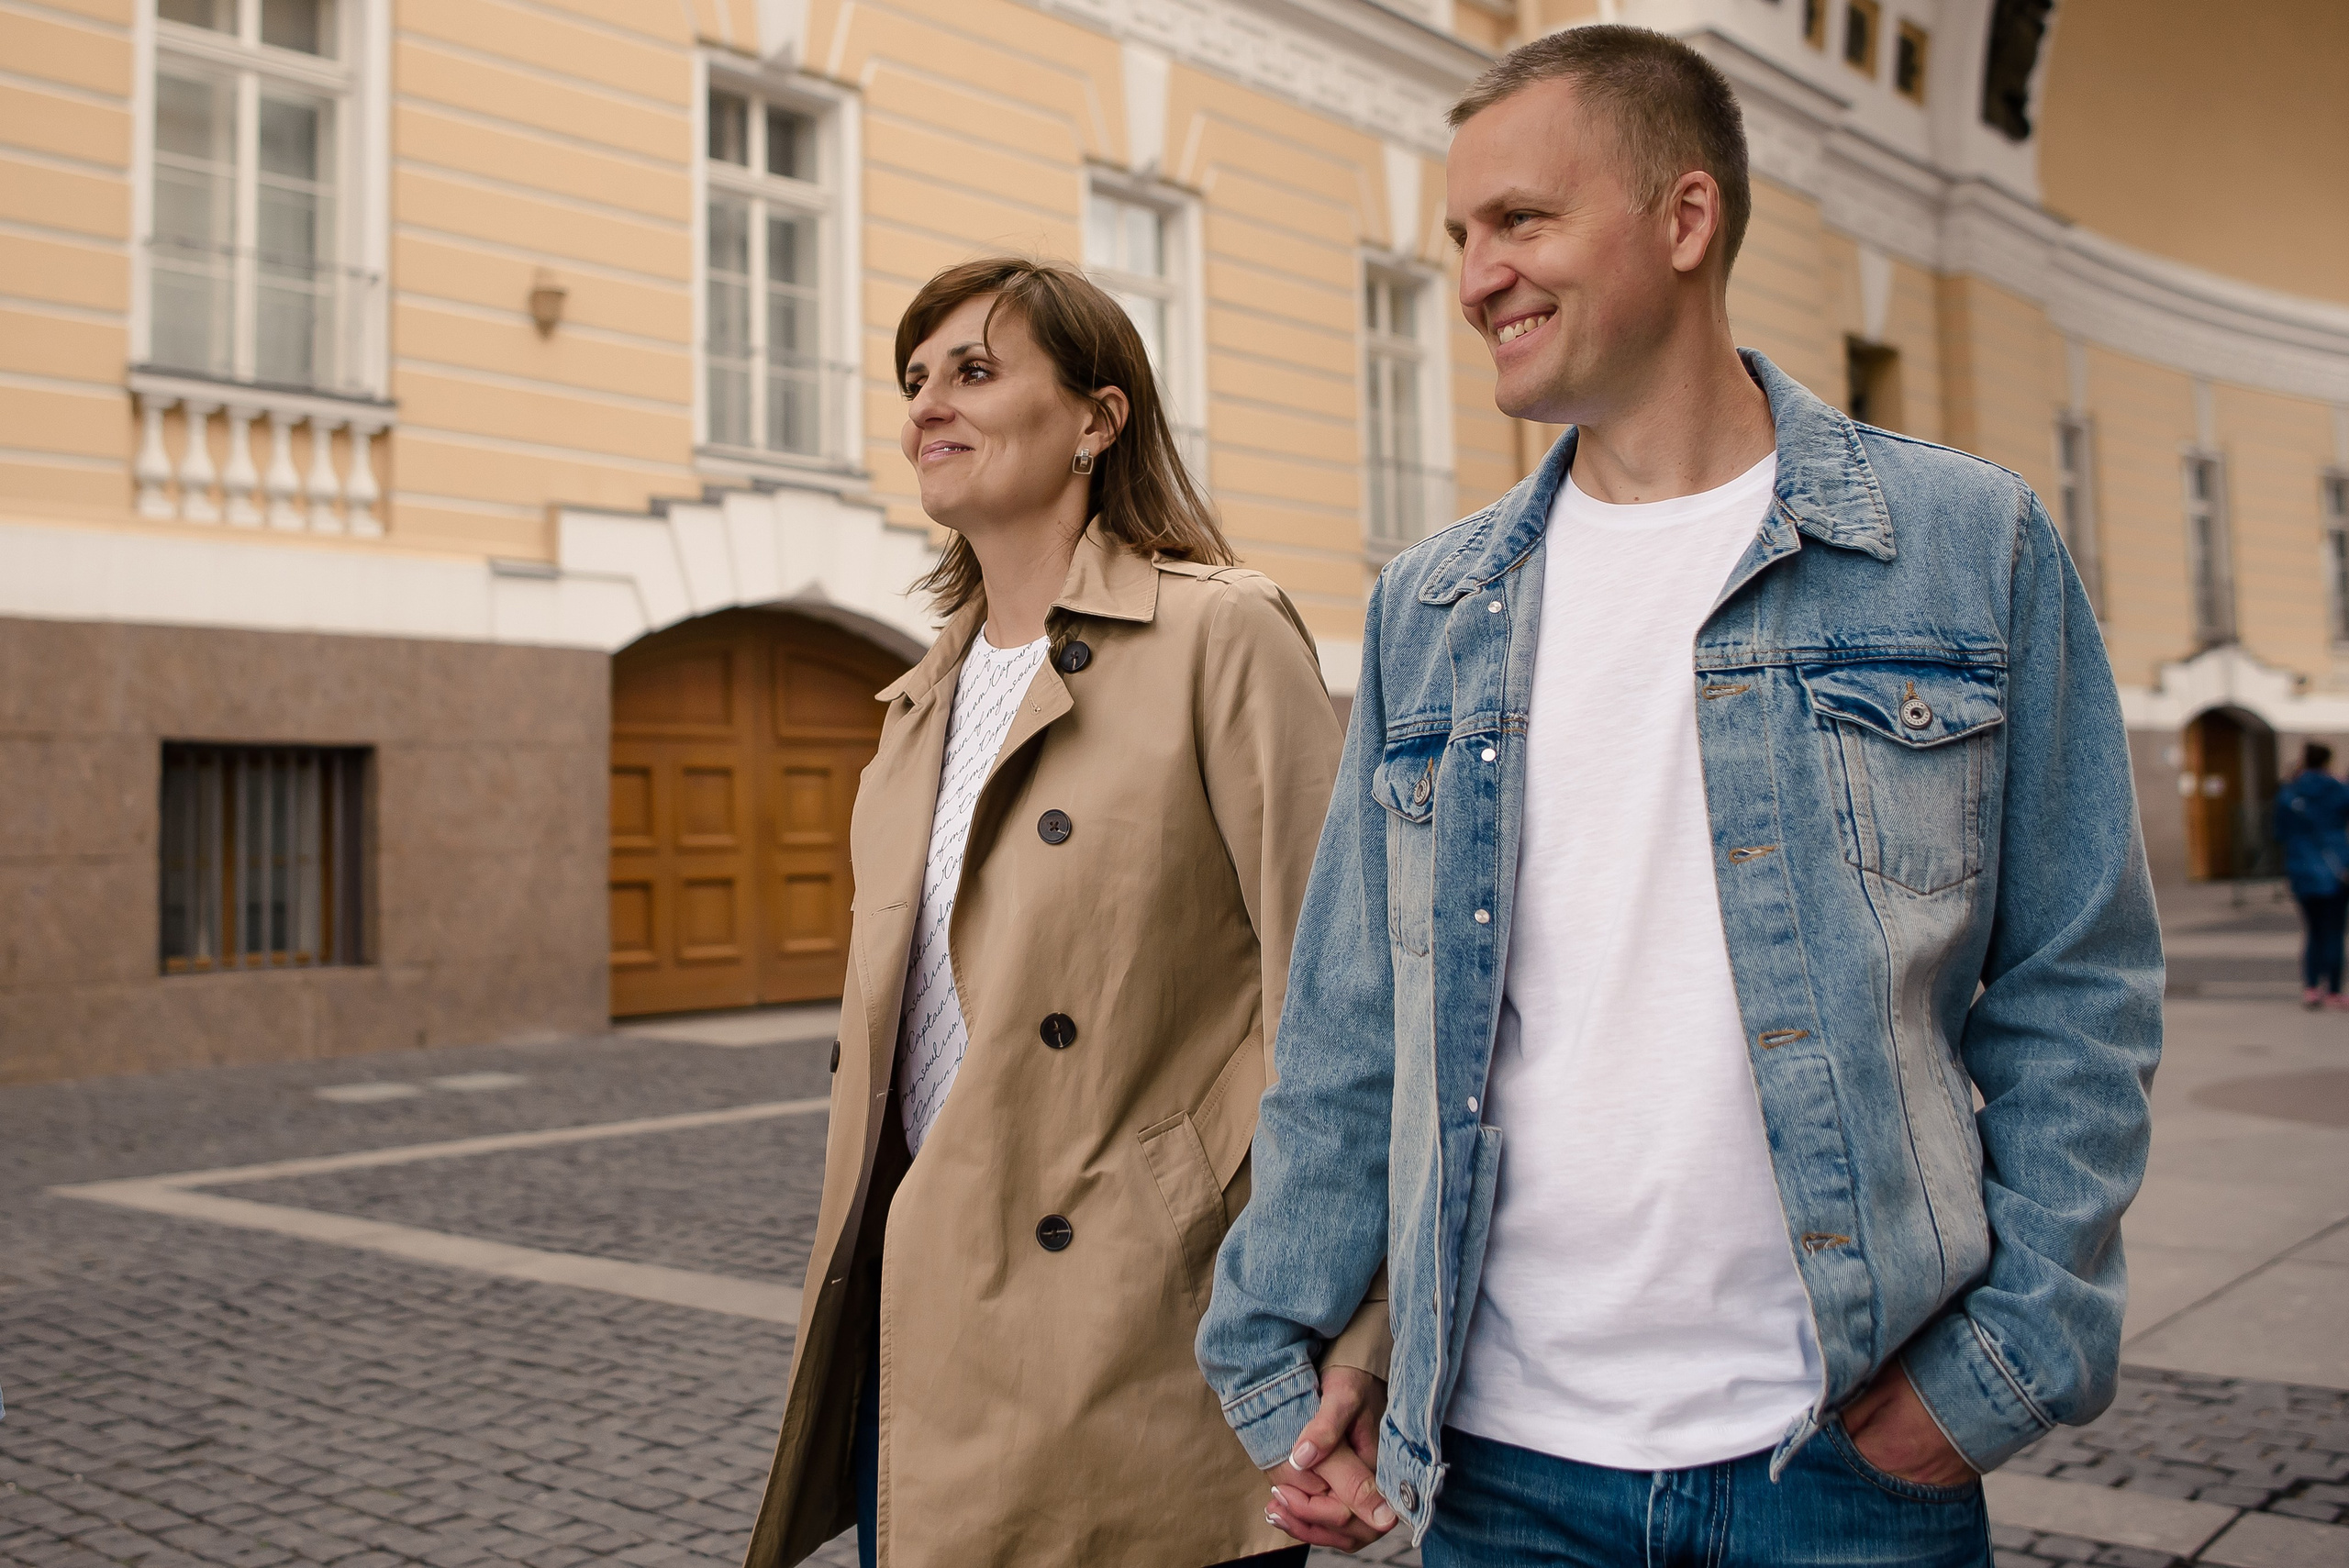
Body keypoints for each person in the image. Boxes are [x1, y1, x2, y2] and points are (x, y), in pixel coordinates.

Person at [1197, 26, 2164, 1567]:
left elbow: (2077, 981)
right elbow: (1353, 1022)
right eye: (1460, 236)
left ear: (1685, 220)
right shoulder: (1431, 606)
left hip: (1846, 1460)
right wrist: (1311, 1343)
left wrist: (2001, 1358)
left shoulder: (1964, 544)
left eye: (1520, 220)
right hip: (1505, 1474)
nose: (1474, 277)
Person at [740, 257, 1382, 1568]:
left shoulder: (1219, 636)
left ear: (1098, 417)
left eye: (974, 370)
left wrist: (1355, 1334)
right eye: (915, 379)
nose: (928, 405)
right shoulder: (914, 704)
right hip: (928, 1326)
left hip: (1140, 1328)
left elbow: (1351, 1000)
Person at [2276, 742, 2349, 1009]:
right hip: (2336, 869)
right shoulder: (2338, 789)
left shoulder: (2290, 793)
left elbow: (2279, 833)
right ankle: (2334, 990)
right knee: (2334, 932)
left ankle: (2310, 987)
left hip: (2301, 869)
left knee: (2313, 931)